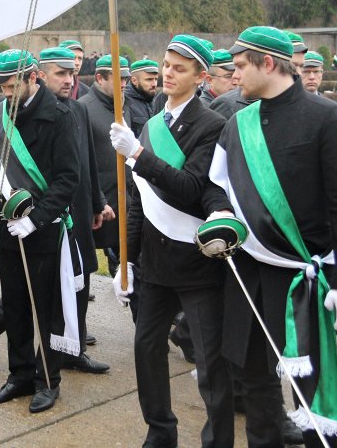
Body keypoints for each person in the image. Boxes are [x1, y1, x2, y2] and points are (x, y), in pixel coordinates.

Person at [201, 26, 337, 447]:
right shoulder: (237, 123)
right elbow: (215, 183)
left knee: (311, 395)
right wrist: (219, 210)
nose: (234, 76)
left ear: (267, 63)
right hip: (249, 275)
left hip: (299, 280)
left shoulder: (328, 118)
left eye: (239, 67)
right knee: (255, 383)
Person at [110, 34, 233, 448]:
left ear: (201, 76)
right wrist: (125, 259)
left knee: (211, 360)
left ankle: (218, 439)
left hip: (197, 263)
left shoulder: (213, 125)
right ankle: (160, 431)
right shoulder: (150, 124)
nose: (167, 73)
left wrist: (140, 156)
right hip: (156, 263)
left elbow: (193, 189)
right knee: (146, 349)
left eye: (179, 68)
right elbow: (137, 202)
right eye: (165, 64)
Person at [0, 49, 80, 413]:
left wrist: (37, 218)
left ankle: (48, 380)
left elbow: (67, 179)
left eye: (13, 84)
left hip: (43, 227)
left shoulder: (60, 116)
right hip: (8, 226)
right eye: (1, 85)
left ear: (33, 78)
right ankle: (19, 375)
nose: (6, 92)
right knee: (15, 304)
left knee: (46, 310)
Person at [79, 55, 131, 275]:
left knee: (129, 264)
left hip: (125, 199)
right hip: (97, 201)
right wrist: (97, 200)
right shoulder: (83, 108)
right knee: (82, 266)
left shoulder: (123, 106)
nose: (124, 84)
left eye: (126, 79)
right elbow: (81, 162)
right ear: (100, 78)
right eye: (118, 78)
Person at [125, 59, 159, 138]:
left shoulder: (156, 101)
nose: (154, 84)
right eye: (149, 79)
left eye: (156, 79)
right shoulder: (124, 104)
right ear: (134, 81)